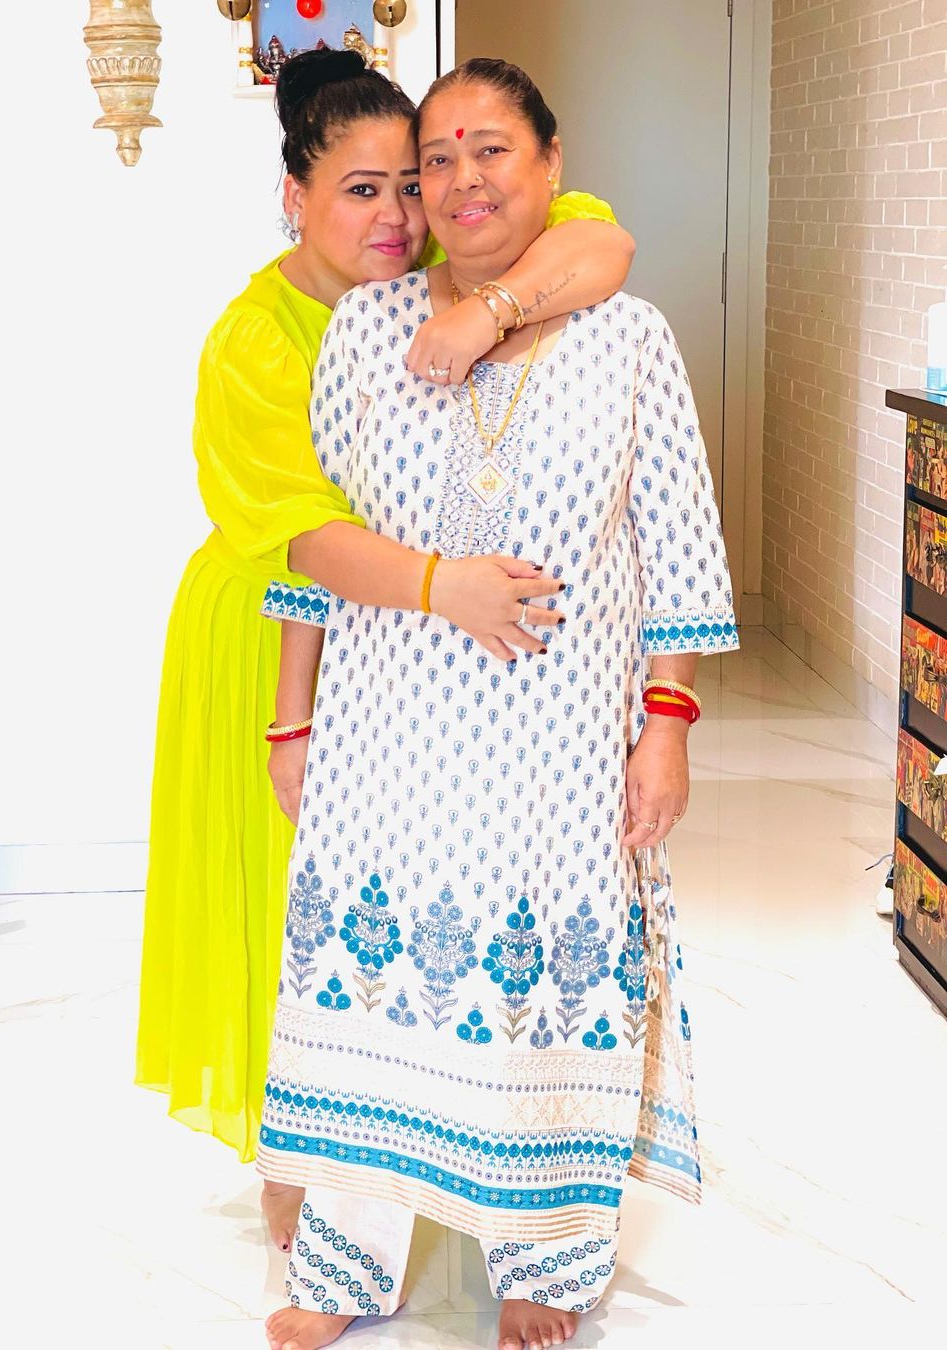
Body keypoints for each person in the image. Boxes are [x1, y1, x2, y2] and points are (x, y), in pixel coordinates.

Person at [258, 58, 738, 1350]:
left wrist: (666, 725)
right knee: (361, 987)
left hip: (556, 746)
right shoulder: (367, 328)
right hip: (386, 734)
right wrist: (293, 720)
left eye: (491, 150)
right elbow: (314, 535)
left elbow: (678, 544)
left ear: (550, 163)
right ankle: (345, 1266)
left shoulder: (626, 336)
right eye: (437, 160)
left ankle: (549, 1259)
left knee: (544, 991)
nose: (462, 179)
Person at [133, 46, 638, 1255]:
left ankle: (441, 1137)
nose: (402, 215)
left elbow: (602, 243)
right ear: (295, 195)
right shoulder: (258, 341)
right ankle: (302, 1160)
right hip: (274, 636)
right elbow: (309, 538)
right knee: (290, 901)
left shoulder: (446, 280)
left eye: (411, 184)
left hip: (424, 649)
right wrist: (435, 592)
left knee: (413, 904)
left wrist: (487, 307)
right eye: (362, 190)